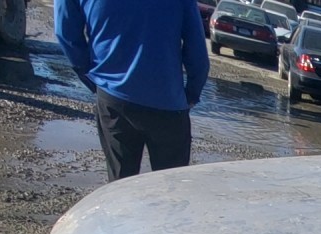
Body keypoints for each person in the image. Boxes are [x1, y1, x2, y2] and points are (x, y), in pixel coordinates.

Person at [55, 0, 210, 182]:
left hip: (113, 96)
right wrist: (192, 94)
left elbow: (66, 34)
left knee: (120, 184)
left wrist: (91, 78)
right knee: (171, 189)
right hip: (169, 103)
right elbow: (198, 54)